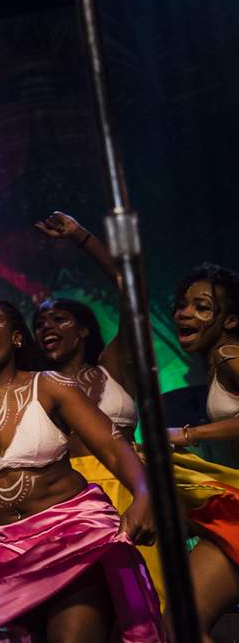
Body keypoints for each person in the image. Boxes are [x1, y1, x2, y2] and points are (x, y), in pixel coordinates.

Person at [0, 299, 163, 642]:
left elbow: (114, 449)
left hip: (76, 537)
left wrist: (144, 495)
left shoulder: (51, 386)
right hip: (8, 552)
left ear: (17, 337)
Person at [33, 211, 164, 605]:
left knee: (148, 605)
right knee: (86, 610)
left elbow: (133, 291)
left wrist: (81, 237)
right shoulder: (36, 388)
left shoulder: (112, 366)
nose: (46, 326)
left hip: (128, 488)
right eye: (40, 323)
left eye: (59, 318)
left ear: (84, 329)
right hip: (67, 501)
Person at [167, 262, 239, 641]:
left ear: (230, 320)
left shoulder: (228, 353)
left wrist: (187, 434)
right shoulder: (216, 362)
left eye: (202, 307)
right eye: (182, 304)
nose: (185, 313)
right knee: (182, 622)